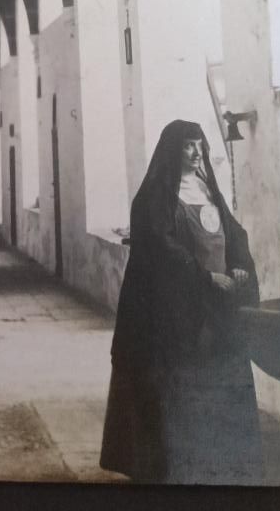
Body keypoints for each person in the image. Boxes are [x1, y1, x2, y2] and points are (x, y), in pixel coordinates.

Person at [99, 119, 263, 484]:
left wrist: (237, 266)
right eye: (188, 145)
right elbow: (160, 248)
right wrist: (203, 279)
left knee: (220, 377)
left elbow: (235, 234)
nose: (194, 152)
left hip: (217, 306)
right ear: (172, 150)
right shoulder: (154, 196)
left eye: (199, 145)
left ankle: (221, 462)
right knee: (179, 388)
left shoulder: (208, 189)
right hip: (176, 312)